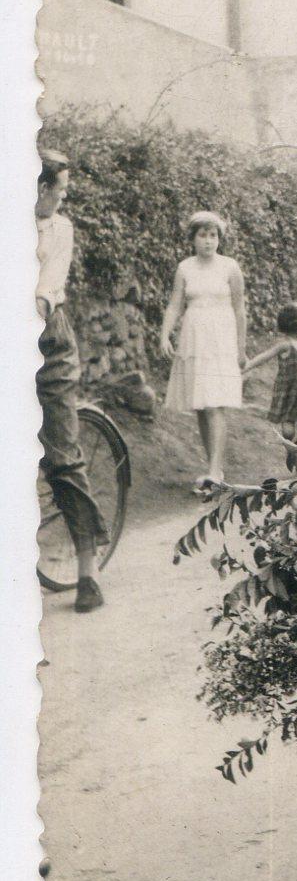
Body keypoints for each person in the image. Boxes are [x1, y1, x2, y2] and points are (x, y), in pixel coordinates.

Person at [35, 149, 109, 613]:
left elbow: (46, 288)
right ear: (43, 188)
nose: (64, 196)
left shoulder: (60, 229)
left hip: (48, 343)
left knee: (62, 455)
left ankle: (88, 572)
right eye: (61, 188)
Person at [160, 212, 246, 495]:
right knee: (200, 404)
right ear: (193, 239)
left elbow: (239, 309)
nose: (208, 241)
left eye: (213, 235)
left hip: (221, 340)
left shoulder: (230, 267)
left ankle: (215, 473)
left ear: (219, 239)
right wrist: (164, 334)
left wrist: (241, 348)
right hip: (194, 339)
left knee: (215, 404)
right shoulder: (185, 268)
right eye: (203, 235)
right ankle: (214, 469)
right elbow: (175, 305)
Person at [242, 302, 297, 473]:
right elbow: (265, 356)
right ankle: (291, 451)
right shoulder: (285, 344)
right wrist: (246, 367)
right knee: (288, 431)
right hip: (288, 393)